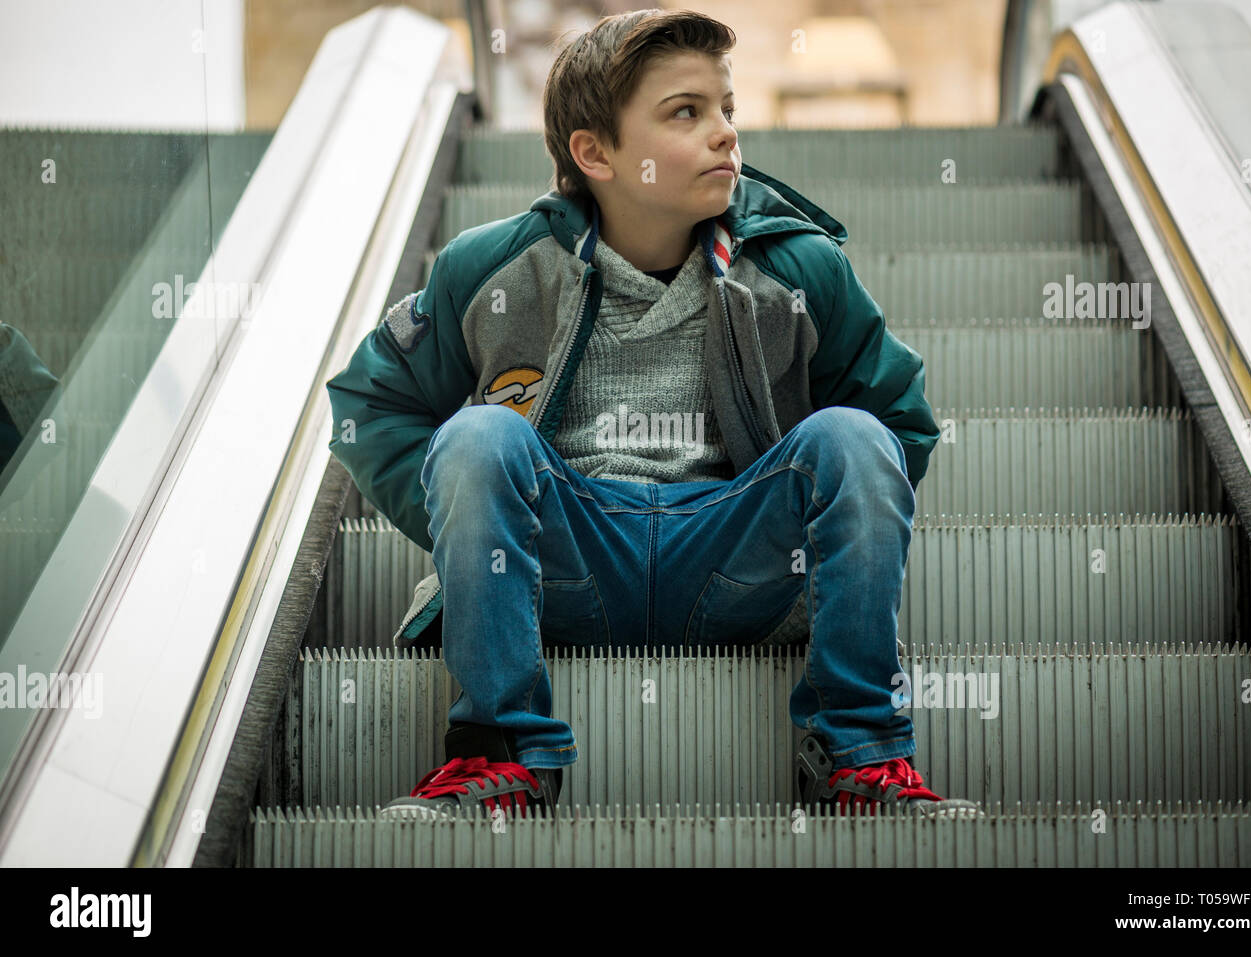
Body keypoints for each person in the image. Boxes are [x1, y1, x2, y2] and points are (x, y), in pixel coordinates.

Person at [325, 8, 978, 821]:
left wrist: (833, 539)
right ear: (595, 154)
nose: (725, 135)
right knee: (480, 436)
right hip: (567, 555)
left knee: (852, 435)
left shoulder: (799, 268)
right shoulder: (495, 268)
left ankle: (857, 756)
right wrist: (475, 527)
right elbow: (367, 401)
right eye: (686, 113)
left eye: (727, 110)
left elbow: (900, 422)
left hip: (735, 556)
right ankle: (501, 757)